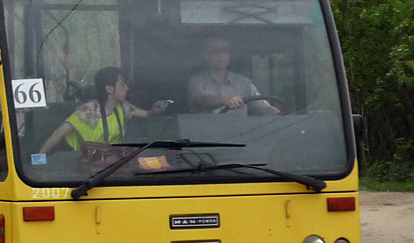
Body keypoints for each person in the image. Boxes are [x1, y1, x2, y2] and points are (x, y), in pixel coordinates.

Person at [39, 66, 169, 154]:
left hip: (112, 164)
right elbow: (58, 134)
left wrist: (154, 110)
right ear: (109, 89)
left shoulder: (122, 107)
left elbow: (145, 114)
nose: (127, 88)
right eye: (122, 84)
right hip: (87, 167)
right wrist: (39, 160)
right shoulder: (89, 111)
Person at [188, 35, 280, 116]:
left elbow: (264, 107)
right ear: (206, 55)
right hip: (205, 133)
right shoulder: (196, 81)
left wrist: (277, 114)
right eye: (215, 51)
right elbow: (202, 99)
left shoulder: (244, 83)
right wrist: (224, 101)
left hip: (244, 134)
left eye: (225, 50)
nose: (221, 55)